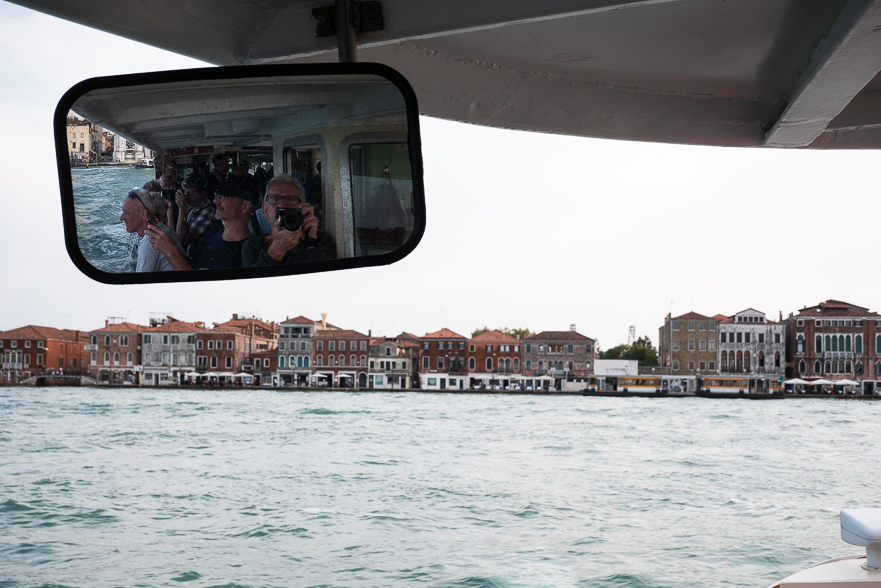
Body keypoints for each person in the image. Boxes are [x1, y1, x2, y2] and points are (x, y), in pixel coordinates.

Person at [147, 176, 256, 270]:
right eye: (216, 195)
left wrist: (170, 251)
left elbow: (199, 283)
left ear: (245, 206)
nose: (215, 201)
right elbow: (191, 263)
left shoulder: (243, 252)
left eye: (222, 197)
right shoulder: (217, 231)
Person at [242, 173, 326, 266]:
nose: (281, 205)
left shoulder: (315, 240)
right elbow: (253, 276)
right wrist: (277, 250)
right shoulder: (252, 245)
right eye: (274, 199)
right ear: (265, 211)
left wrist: (311, 240)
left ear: (302, 208)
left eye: (290, 199)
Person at [119, 188, 184, 272]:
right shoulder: (166, 230)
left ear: (143, 214)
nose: (121, 218)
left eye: (127, 212)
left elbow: (140, 280)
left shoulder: (149, 241)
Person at [174, 173, 217, 254]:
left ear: (203, 194)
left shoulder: (209, 211)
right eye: (184, 192)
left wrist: (182, 208)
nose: (186, 196)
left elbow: (181, 239)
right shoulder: (192, 206)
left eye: (190, 193)